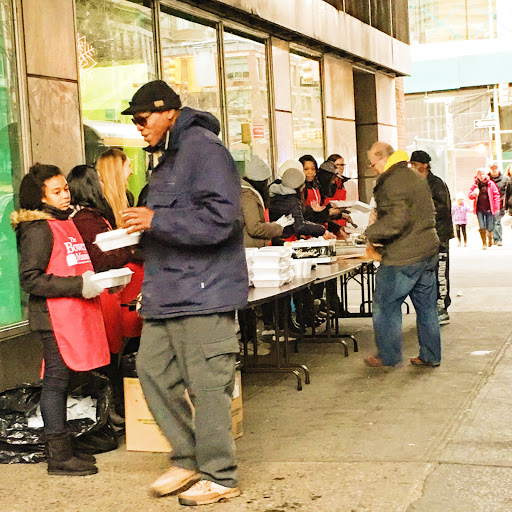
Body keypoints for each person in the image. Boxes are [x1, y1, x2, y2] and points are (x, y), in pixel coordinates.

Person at [120, 80, 248, 506]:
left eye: (143, 119)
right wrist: (140, 231)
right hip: (168, 291)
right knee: (152, 372)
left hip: (202, 292)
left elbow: (224, 220)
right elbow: (173, 220)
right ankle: (190, 456)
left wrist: (156, 221)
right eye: (136, 121)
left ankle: (220, 474)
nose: (139, 127)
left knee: (207, 385)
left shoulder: (203, 149)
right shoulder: (168, 157)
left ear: (168, 112)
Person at [12, 163, 109, 476]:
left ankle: (69, 445)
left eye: (65, 188)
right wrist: (79, 285)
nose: (65, 195)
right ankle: (59, 456)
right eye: (57, 192)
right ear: (40, 198)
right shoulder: (38, 228)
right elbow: (30, 279)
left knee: (66, 381)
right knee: (55, 383)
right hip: (53, 319)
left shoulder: (64, 222)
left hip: (74, 314)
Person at [363, 142, 441, 368]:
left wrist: (369, 233)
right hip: (427, 250)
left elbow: (396, 221)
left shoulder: (393, 181)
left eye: (373, 163)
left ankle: (388, 355)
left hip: (404, 256)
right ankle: (431, 355)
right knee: (427, 309)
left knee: (385, 306)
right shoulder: (413, 175)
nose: (373, 168)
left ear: (382, 159)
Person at [67, 165, 135, 418]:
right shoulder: (86, 220)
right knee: (107, 356)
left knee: (111, 354)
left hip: (108, 293)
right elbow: (100, 258)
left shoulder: (93, 216)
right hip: (101, 294)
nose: (105, 186)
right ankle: (109, 411)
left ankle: (111, 409)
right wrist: (127, 248)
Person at [409, 150, 454, 325]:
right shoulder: (416, 183)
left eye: (415, 164)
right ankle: (431, 306)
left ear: (425, 165)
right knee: (428, 273)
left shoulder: (436, 184)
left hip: (439, 235)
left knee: (440, 271)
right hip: (424, 236)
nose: (412, 167)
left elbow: (442, 209)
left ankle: (442, 306)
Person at [268, 160, 336, 243]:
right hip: (286, 241)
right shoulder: (292, 199)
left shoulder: (276, 193)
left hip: (277, 239)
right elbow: (299, 225)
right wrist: (322, 230)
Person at [241, 154, 291, 248]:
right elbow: (254, 228)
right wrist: (277, 227)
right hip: (251, 250)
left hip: (252, 248)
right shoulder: (248, 196)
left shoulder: (246, 193)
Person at [96, 148, 132, 227]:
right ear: (118, 169)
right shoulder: (99, 203)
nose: (131, 171)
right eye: (129, 166)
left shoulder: (128, 197)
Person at [468, 169, 500, 250]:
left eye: (483, 174)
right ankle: (484, 243)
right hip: (479, 209)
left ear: (486, 175)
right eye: (479, 174)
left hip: (489, 208)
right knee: (481, 226)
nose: (481, 176)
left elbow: (496, 195)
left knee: (490, 226)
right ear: (477, 175)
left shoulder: (490, 184)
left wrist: (496, 206)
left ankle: (489, 237)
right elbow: (470, 195)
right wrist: (474, 194)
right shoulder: (475, 185)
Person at [488, 164, 508, 246]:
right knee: (490, 222)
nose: (494, 170)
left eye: (495, 169)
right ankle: (492, 238)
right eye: (492, 169)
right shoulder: (487, 179)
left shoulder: (505, 179)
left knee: (497, 221)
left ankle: (498, 239)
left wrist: (505, 203)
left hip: (500, 203)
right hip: (488, 204)